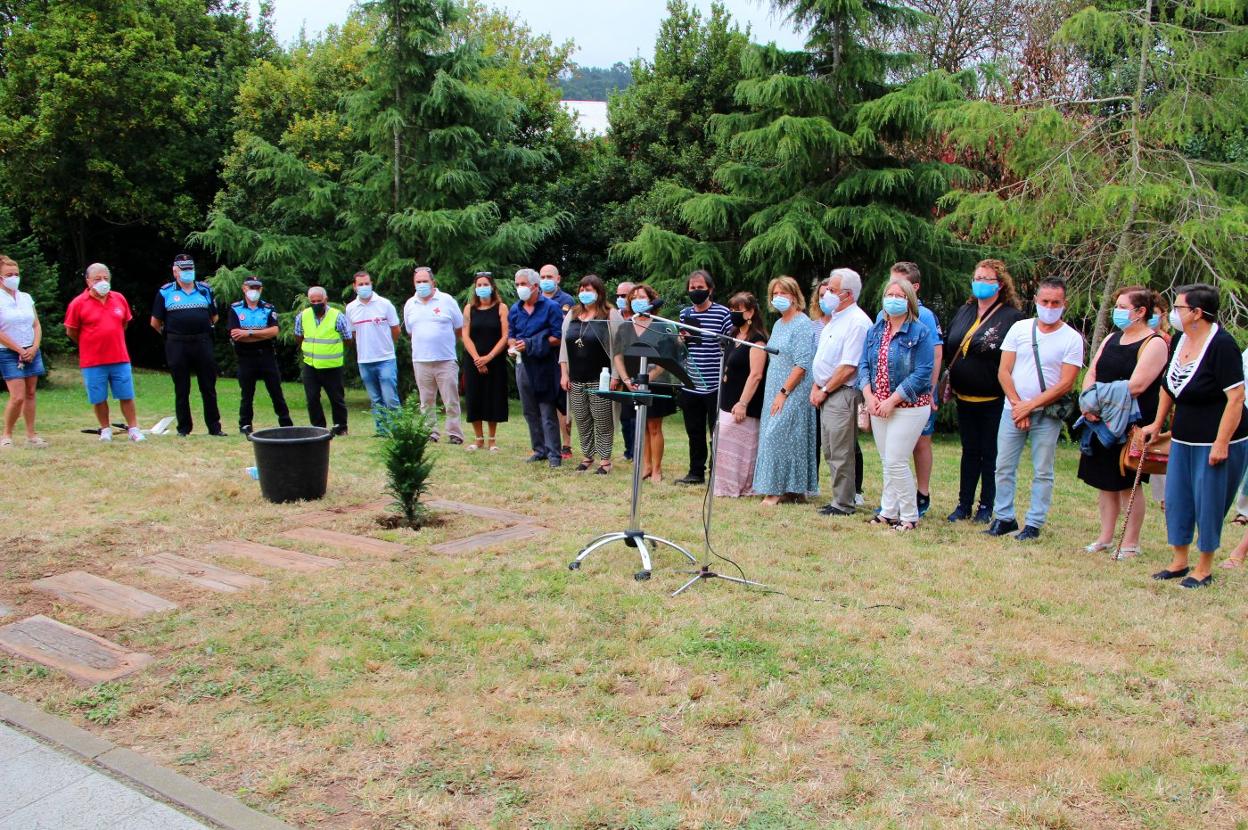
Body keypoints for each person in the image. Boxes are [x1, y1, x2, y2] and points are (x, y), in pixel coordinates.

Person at [1141, 284, 1248, 586]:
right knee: (1178, 499)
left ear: (1198, 313)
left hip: (1216, 441)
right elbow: (1168, 386)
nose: (1174, 314)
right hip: (1183, 438)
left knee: (1209, 502)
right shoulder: (1179, 339)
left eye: (1179, 308)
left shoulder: (1222, 345)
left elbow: (1236, 398)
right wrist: (1156, 424)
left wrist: (1222, 442)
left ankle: (1204, 567)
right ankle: (1179, 561)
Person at [985, 277, 1085, 541]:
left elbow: (1065, 383)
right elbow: (1004, 371)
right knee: (1003, 465)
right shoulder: (1020, 329)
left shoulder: (1072, 339)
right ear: (1036, 301)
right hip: (1013, 409)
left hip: (1046, 413)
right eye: (1045, 301)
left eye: (1055, 302)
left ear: (1064, 304)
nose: (1050, 306)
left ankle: (1034, 522)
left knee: (1043, 469)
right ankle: (1004, 516)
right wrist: (1019, 405)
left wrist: (1031, 406)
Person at [1075, 286, 1167, 558]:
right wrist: (1088, 403)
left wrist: (1098, 400)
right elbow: (1092, 371)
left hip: (1131, 423)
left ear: (1140, 312)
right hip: (1100, 422)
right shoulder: (1112, 338)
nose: (1118, 311)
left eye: (1123, 306)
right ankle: (1105, 537)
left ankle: (1130, 542)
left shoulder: (1155, 343)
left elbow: (1137, 385)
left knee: (1128, 482)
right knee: (1105, 482)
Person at [943, 259, 1025, 522]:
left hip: (993, 399)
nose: (980, 283)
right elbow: (951, 345)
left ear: (1000, 285)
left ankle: (986, 506)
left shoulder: (1011, 318)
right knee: (969, 452)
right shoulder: (965, 311)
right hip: (964, 397)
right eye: (977, 278)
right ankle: (963, 504)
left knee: (990, 454)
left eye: (987, 279)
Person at [858, 279, 935, 530]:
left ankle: (909, 515)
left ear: (909, 300)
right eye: (889, 294)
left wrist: (893, 400)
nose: (893, 299)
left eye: (899, 295)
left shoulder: (920, 331)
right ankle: (888, 511)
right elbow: (864, 366)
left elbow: (923, 372)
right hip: (878, 404)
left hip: (909, 406)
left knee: (896, 460)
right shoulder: (876, 330)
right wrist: (869, 396)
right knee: (886, 460)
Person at [810, 268, 871, 515]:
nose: (826, 295)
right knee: (830, 448)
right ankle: (838, 497)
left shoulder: (857, 322)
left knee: (841, 449)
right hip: (826, 391)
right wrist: (816, 384)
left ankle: (844, 503)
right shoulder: (835, 319)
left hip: (842, 392)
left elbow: (848, 367)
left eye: (832, 291)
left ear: (847, 294)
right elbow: (823, 359)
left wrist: (824, 388)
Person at [753, 276, 818, 505]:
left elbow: (801, 364)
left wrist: (784, 391)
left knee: (778, 435)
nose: (779, 298)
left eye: (784, 293)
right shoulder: (780, 324)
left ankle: (776, 490)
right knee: (783, 437)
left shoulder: (802, 324)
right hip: (774, 386)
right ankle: (793, 490)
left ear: (795, 295)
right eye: (775, 294)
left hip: (793, 388)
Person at [63, 264, 145, 442]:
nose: (102, 282)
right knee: (98, 397)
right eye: (97, 279)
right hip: (93, 360)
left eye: (105, 279)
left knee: (126, 395)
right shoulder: (78, 303)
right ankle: (105, 429)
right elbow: (71, 331)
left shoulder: (119, 299)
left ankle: (133, 428)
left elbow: (124, 323)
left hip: (119, 357)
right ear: (88, 281)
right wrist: (88, 342)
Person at [886, 262, 942, 516]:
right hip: (888, 395)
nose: (894, 293)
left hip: (918, 394)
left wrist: (930, 390)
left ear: (914, 289)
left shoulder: (925, 316)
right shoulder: (882, 316)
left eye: (901, 287)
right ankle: (892, 501)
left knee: (920, 443)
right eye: (891, 286)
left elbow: (935, 355)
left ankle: (922, 493)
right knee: (893, 450)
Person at [150, 253, 224, 437]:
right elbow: (155, 322)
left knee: (208, 386)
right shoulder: (165, 292)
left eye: (190, 269)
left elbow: (214, 316)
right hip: (177, 343)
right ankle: (184, 428)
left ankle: (215, 428)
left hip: (202, 341)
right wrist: (171, 336)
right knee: (182, 388)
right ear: (175, 271)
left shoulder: (205, 290)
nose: (188, 272)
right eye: (184, 270)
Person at [613, 283, 679, 482]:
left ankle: (657, 469)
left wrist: (649, 377)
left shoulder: (661, 326)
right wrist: (625, 379)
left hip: (656, 383)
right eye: (633, 298)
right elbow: (617, 355)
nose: (636, 301)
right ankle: (646, 465)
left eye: (642, 297)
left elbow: (668, 357)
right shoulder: (625, 326)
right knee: (640, 426)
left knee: (654, 426)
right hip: (632, 383)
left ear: (651, 301)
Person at [675, 269, 733, 486]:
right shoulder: (684, 314)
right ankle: (695, 472)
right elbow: (680, 346)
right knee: (694, 431)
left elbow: (731, 341)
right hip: (690, 382)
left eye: (700, 288)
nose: (696, 291)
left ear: (710, 289)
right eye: (692, 288)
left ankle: (716, 473)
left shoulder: (723, 313)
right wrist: (682, 339)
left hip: (714, 383)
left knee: (715, 431)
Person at [560, 274, 619, 473]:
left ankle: (605, 460)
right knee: (582, 420)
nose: (584, 293)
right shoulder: (573, 314)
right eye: (582, 289)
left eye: (589, 290)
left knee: (602, 420)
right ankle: (587, 456)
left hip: (600, 378)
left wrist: (616, 375)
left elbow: (619, 349)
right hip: (576, 377)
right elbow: (563, 347)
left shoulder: (610, 314)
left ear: (599, 292)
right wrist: (564, 373)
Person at [509, 268, 564, 467]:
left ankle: (554, 455)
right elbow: (511, 334)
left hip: (545, 364)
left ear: (535, 286)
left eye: (523, 284)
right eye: (517, 285)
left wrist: (532, 343)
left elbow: (558, 337)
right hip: (523, 364)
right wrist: (512, 345)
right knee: (529, 410)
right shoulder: (515, 309)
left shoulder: (551, 307)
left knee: (546, 410)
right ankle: (538, 449)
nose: (520, 288)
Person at [714, 292, 768, 497]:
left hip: (745, 402)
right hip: (727, 398)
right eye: (731, 310)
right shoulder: (733, 334)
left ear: (751, 312)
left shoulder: (757, 340)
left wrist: (743, 402)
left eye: (738, 310)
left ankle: (741, 487)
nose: (733, 314)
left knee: (739, 448)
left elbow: (756, 374)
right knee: (723, 443)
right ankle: (724, 487)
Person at [403, 266, 464, 444]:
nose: (421, 285)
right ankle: (430, 432)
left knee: (451, 400)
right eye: (418, 282)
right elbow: (410, 330)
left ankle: (455, 433)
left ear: (433, 282)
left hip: (445, 360)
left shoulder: (446, 300)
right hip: (421, 360)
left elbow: (459, 327)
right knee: (426, 401)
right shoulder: (410, 304)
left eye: (425, 281)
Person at [227, 276, 292, 435]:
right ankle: (245, 425)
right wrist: (262, 333)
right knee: (247, 394)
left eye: (257, 288)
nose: (253, 291)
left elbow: (274, 331)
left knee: (276, 391)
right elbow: (235, 334)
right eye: (251, 288)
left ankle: (286, 423)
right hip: (245, 356)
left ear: (261, 289)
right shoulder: (235, 309)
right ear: (244, 289)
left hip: (266, 355)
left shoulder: (269, 308)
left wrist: (248, 332)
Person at [345, 270, 401, 435]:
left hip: (386, 358)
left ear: (371, 284)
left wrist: (386, 345)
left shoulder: (384, 304)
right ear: (354, 287)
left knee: (390, 398)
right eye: (360, 284)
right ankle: (382, 430)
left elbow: (395, 330)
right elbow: (353, 333)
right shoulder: (350, 308)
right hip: (364, 360)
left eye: (367, 283)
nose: (364, 287)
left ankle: (397, 429)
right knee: (376, 399)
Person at [0, 255, 47, 448]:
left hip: (31, 350)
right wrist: (18, 349)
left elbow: (36, 324)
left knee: (30, 393)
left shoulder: (26, 297)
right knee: (17, 396)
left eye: (16, 274)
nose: (14, 277)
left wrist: (34, 347)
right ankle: (7, 435)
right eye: (9, 274)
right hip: (8, 352)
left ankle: (31, 434)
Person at [461, 271, 509, 451]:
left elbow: (505, 335)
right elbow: (465, 335)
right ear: (475, 288)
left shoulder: (501, 307)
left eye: (485, 285)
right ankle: (478, 438)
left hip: (495, 360)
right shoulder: (469, 309)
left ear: (492, 287)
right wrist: (477, 359)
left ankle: (492, 439)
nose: (482, 288)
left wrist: (488, 357)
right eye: (479, 285)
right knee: (474, 397)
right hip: (473, 361)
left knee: (493, 397)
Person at [294, 285, 352, 435]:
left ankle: (341, 427)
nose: (316, 304)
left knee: (336, 398)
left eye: (319, 301)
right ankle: (318, 428)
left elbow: (347, 339)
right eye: (312, 301)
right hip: (310, 364)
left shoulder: (337, 316)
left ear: (326, 300)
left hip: (332, 365)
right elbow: (299, 336)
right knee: (312, 398)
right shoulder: (303, 316)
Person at [539, 263, 576, 457]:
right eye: (542, 277)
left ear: (558, 278)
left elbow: (563, 329)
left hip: (561, 355)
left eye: (549, 277)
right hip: (540, 355)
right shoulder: (534, 300)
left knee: (563, 402)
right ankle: (546, 443)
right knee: (544, 401)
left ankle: (566, 444)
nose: (545, 281)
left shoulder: (567, 300)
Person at [614, 280, 636, 461]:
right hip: (619, 373)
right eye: (618, 296)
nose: (620, 299)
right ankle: (629, 451)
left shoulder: (642, 317)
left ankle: (638, 451)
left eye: (624, 296)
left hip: (640, 372)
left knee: (637, 417)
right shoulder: (614, 316)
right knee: (625, 417)